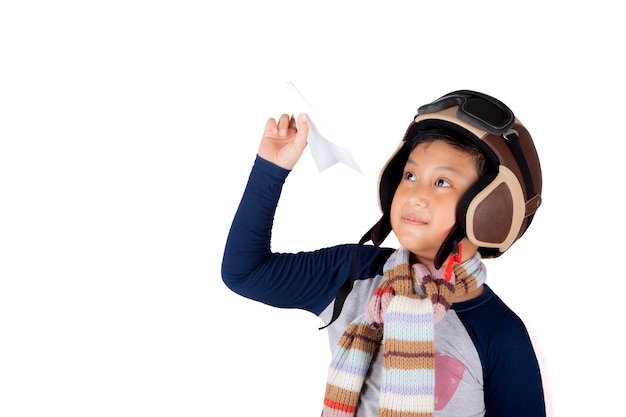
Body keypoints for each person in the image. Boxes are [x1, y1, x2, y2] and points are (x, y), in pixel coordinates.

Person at [221, 90, 546, 417]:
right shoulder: (353, 273)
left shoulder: (500, 334)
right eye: (410, 175)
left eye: (442, 182)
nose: (415, 195)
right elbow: (245, 272)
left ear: (492, 209)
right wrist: (270, 169)